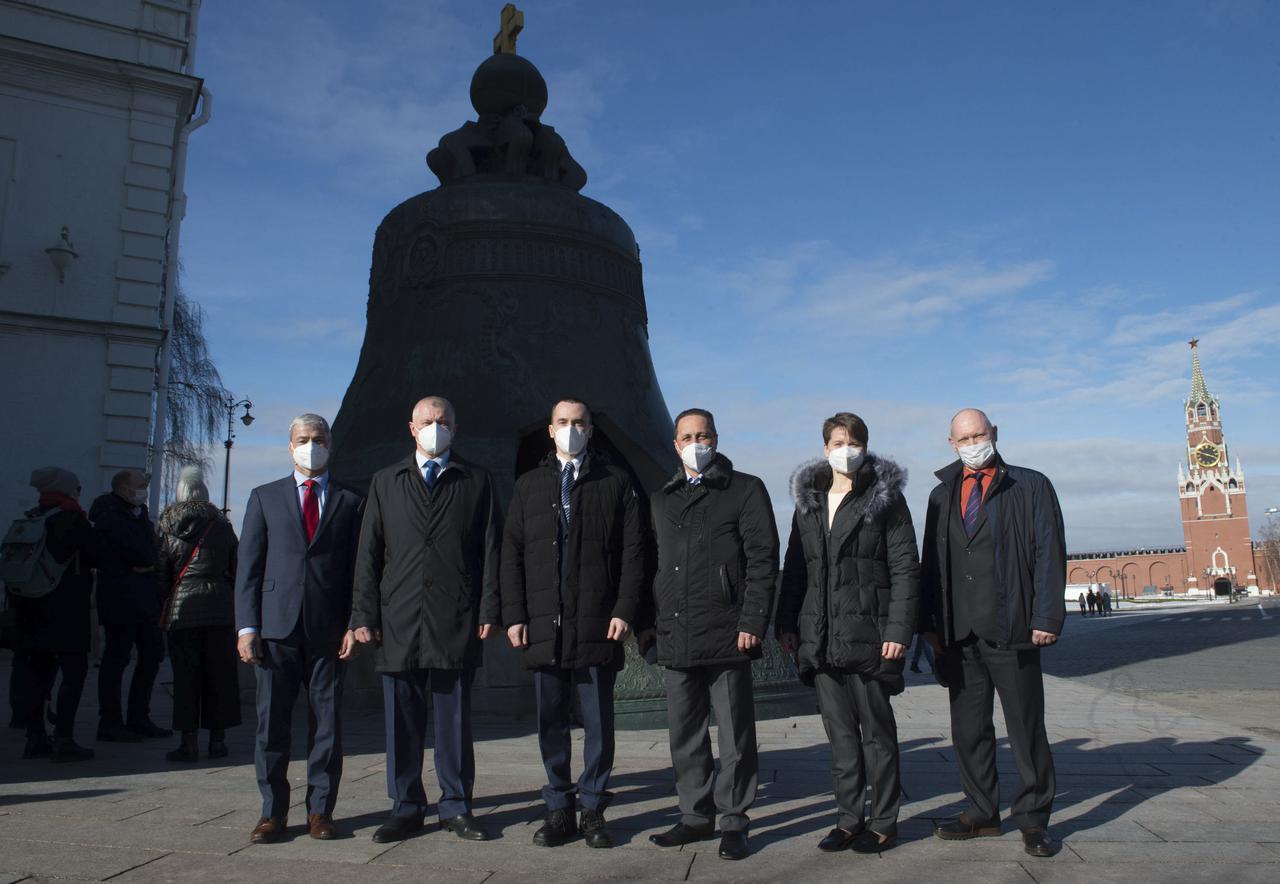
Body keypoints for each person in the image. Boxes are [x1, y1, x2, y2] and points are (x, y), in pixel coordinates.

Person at [350, 396, 502, 845]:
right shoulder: (385, 481)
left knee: (454, 721)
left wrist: (489, 608)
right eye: (427, 421)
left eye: (444, 421)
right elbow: (369, 553)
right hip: (398, 616)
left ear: (456, 428)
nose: (436, 427)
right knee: (401, 721)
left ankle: (456, 806)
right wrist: (363, 613)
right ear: (411, 428)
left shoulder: (476, 479)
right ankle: (406, 806)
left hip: (454, 614)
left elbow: (489, 549)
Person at [918, 408, 1066, 859]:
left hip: (1013, 628)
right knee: (969, 731)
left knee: (1025, 729)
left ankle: (1034, 820)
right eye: (963, 438)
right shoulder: (941, 495)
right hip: (959, 635)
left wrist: (1046, 617)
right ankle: (981, 812)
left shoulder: (1030, 485)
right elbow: (931, 564)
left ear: (994, 434)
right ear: (951, 444)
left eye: (979, 434)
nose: (972, 443)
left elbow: (1048, 552)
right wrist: (929, 626)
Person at [501, 399, 647, 849]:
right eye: (563, 422)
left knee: (599, 723)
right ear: (550, 430)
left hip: (597, 623)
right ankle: (559, 807)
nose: (571, 429)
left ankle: (594, 808)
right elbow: (512, 553)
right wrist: (515, 614)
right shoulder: (529, 486)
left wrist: (624, 608)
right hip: (546, 626)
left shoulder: (615, 482)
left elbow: (632, 553)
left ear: (590, 430)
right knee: (550, 724)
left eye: (579, 423)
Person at [776, 413, 919, 854]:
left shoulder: (886, 499)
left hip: (871, 634)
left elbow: (905, 569)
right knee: (840, 737)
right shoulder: (810, 501)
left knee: (877, 735)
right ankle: (848, 818)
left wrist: (898, 630)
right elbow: (796, 567)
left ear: (866, 445)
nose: (847, 448)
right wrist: (785, 623)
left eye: (854, 441)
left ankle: (884, 821)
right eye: (838, 441)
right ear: (825, 448)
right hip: (821, 637)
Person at [641, 408, 779, 862]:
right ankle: (694, 816)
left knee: (735, 733)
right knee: (685, 732)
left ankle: (734, 819)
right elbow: (651, 565)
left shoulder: (744, 489)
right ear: (675, 443)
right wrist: (649, 626)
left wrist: (752, 621)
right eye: (686, 436)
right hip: (676, 631)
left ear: (716, 439)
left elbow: (762, 558)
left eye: (703, 435)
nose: (695, 443)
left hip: (726, 631)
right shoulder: (662, 498)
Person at [235, 414, 365, 843]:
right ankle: (272, 813)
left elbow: (357, 571)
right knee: (271, 726)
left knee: (326, 726)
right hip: (275, 631)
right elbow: (248, 569)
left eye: (320, 438)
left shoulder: (351, 500)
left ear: (332, 444)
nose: (312, 445)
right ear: (290, 447)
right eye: (304, 439)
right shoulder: (264, 497)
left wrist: (354, 623)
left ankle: (320, 811)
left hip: (328, 631)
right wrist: (246, 627)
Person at [9, 468, 100, 761]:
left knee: (36, 674)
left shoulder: (31, 517)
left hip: (29, 607)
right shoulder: (72, 519)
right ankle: (64, 737)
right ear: (67, 489)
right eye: (77, 487)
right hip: (66, 609)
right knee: (73, 674)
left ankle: (35, 735)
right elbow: (96, 555)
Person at [157, 467, 241, 762]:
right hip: (220, 607)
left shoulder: (167, 525)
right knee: (220, 676)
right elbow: (236, 567)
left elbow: (162, 572)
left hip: (183, 609)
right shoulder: (222, 526)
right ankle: (218, 742)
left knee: (185, 677)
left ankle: (188, 742)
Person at [90, 469, 170, 742]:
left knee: (152, 654)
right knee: (117, 658)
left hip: (144, 597)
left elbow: (152, 553)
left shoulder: (139, 513)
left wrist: (147, 560)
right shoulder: (110, 515)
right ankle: (110, 721)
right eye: (139, 486)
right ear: (123, 488)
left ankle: (139, 716)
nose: (144, 490)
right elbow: (140, 551)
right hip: (120, 597)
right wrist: (144, 558)